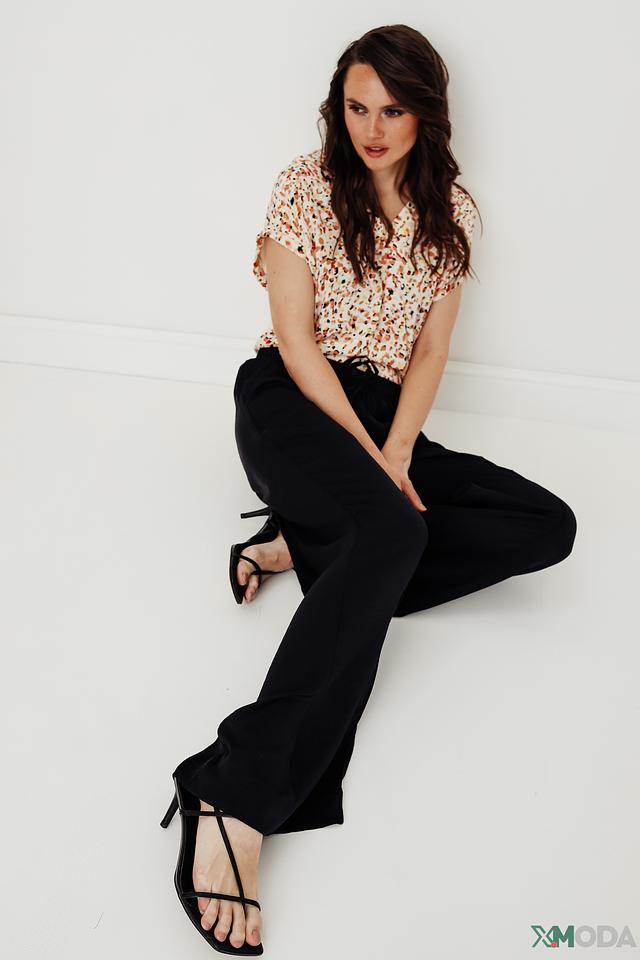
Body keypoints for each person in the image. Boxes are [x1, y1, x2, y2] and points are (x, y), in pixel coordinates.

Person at [165, 24, 577, 954]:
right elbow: (297, 343)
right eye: (357, 108)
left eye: (392, 110)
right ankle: (234, 793)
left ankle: (305, 541)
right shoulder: (304, 185)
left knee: (545, 526)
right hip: (290, 401)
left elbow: (430, 352)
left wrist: (396, 453)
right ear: (338, 108)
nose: (373, 129)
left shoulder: (451, 212)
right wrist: (375, 466)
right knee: (393, 534)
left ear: (424, 112)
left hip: (385, 417)